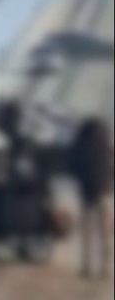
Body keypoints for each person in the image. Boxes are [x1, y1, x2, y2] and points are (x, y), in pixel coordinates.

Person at [68, 119, 113, 278]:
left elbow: (72, 167)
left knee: (87, 232)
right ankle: (105, 268)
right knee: (104, 233)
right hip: (103, 192)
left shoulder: (80, 145)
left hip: (87, 192)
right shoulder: (105, 145)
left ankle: (87, 267)